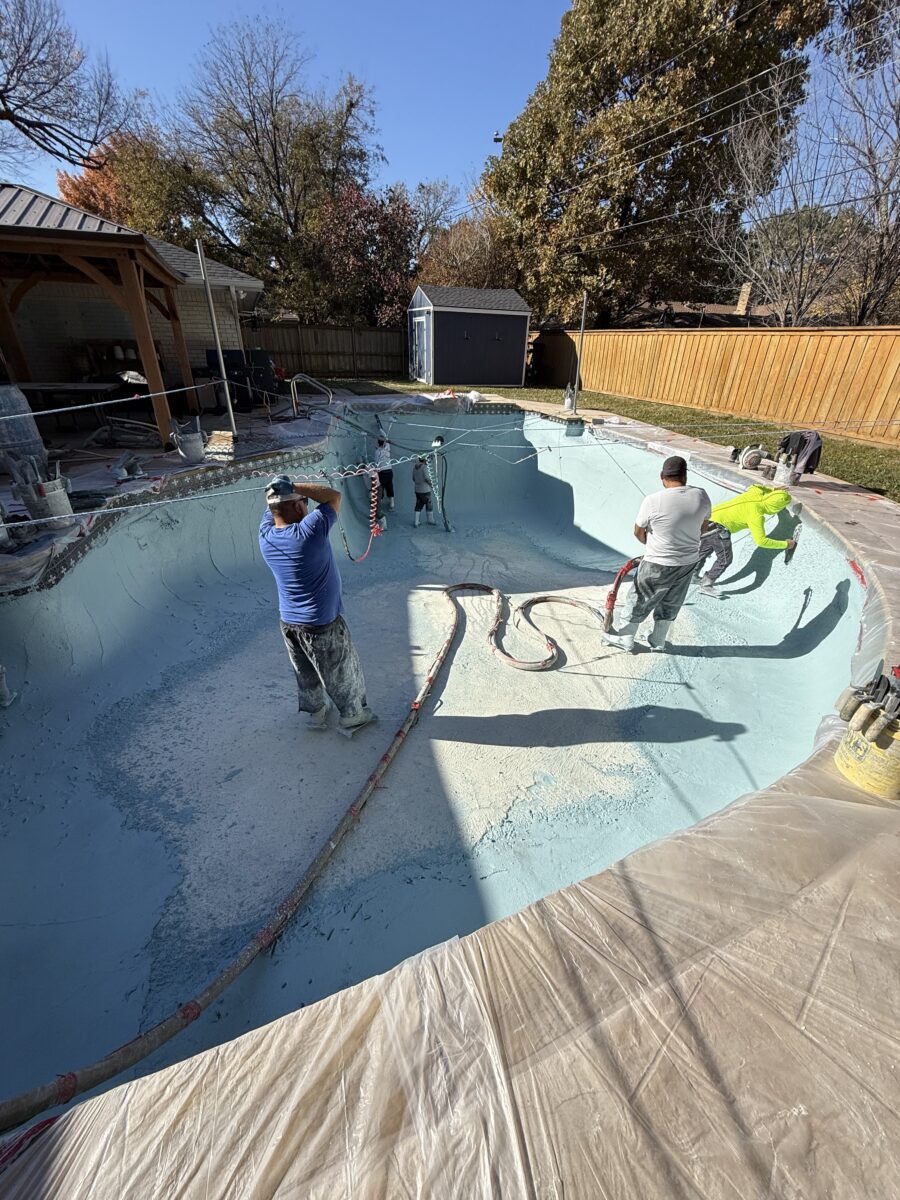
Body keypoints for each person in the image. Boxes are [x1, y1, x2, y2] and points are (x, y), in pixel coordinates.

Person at [259, 475, 376, 737]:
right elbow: (333, 497)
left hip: (289, 623)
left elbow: (271, 509)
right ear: (295, 506)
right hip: (321, 623)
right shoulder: (308, 532)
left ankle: (316, 713)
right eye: (302, 502)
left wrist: (280, 491)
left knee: (305, 672)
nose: (307, 506)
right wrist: (296, 486)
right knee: (342, 670)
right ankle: (352, 716)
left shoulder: (265, 536)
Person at [603, 456, 711, 653]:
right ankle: (658, 640)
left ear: (662, 477)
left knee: (640, 598)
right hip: (688, 562)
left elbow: (638, 531)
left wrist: (650, 543)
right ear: (685, 475)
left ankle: (626, 638)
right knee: (672, 599)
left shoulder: (653, 501)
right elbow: (703, 527)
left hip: (657, 562)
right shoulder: (701, 495)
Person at [695, 485, 796, 597]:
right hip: (719, 529)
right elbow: (761, 541)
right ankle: (706, 585)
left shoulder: (754, 493)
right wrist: (786, 544)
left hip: (707, 519)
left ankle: (691, 576)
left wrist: (773, 490)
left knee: (704, 551)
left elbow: (755, 486)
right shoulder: (757, 516)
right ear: (775, 508)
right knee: (725, 559)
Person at [412, 457, 435, 526]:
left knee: (418, 504)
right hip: (425, 490)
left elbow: (413, 478)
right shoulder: (424, 467)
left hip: (417, 490)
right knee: (429, 504)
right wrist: (431, 484)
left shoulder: (415, 468)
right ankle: (430, 520)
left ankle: (416, 521)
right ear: (425, 460)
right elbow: (427, 478)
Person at [375, 437, 394, 511]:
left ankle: (380, 505)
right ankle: (392, 504)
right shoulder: (387, 449)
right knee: (390, 486)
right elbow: (386, 437)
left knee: (381, 487)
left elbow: (376, 463)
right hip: (389, 471)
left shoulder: (377, 452)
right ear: (384, 443)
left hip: (382, 472)